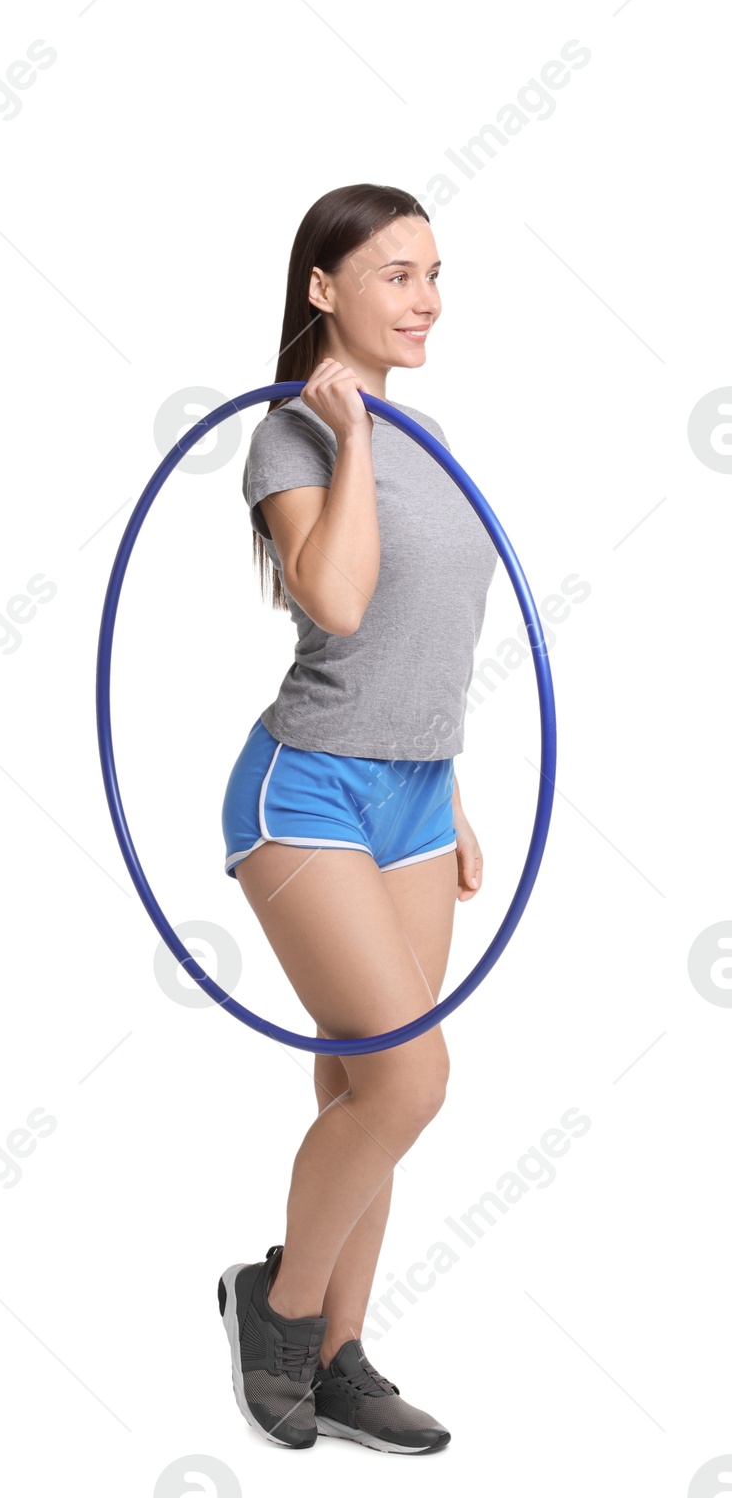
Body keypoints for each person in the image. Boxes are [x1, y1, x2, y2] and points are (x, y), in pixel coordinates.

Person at [216, 183, 497, 1454]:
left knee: (359, 1086)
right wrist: (352, 438)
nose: (424, 296)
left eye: (431, 271)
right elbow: (334, 601)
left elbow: (425, 640)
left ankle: (336, 1357)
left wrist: (452, 789)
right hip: (310, 790)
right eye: (393, 273)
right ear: (322, 289)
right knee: (409, 1078)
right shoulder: (290, 436)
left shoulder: (423, 427)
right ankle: (273, 1307)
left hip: (416, 798)